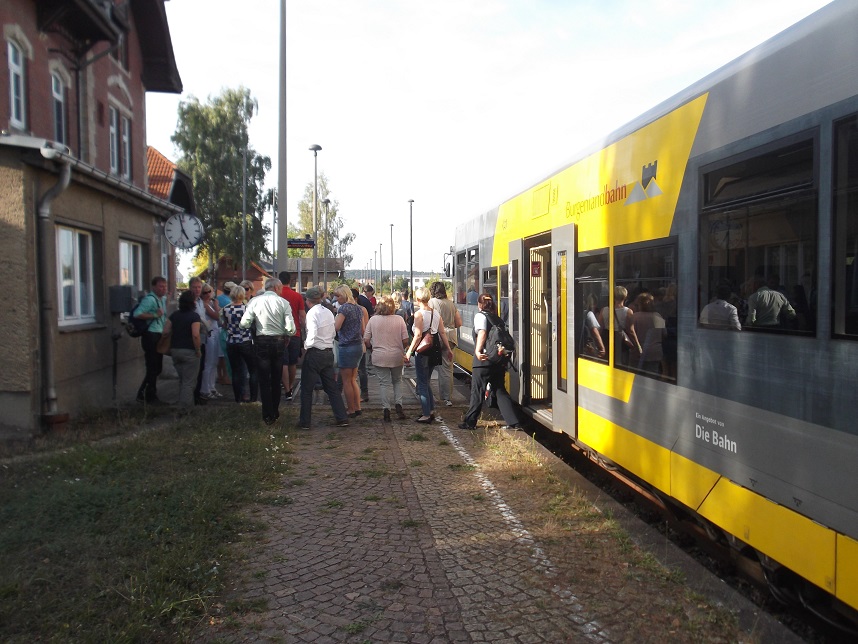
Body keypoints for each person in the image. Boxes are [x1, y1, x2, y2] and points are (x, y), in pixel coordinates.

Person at [458, 293, 522, 430]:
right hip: (498, 360)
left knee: (477, 391)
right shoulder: (497, 318)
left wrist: (477, 350)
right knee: (499, 390)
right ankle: (514, 422)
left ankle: (470, 422)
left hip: (484, 360)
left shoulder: (480, 316)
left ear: (480, 304)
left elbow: (482, 333)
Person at [239, 278, 296, 425]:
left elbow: (244, 323)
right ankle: (275, 412)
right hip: (278, 342)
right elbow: (291, 329)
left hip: (261, 341)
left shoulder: (254, 302)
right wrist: (284, 331)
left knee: (264, 379)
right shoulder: (284, 303)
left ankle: (267, 414)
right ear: (277, 287)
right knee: (276, 379)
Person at [299, 287, 349, 429]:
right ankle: (341, 417)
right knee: (331, 387)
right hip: (328, 352)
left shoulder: (311, 314)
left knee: (307, 389)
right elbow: (333, 331)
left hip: (315, 352)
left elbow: (312, 333)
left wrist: (306, 346)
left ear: (308, 301)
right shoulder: (328, 311)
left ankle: (305, 422)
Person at [404, 286, 453, 423]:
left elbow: (418, 334)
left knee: (422, 383)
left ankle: (426, 413)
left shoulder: (419, 315)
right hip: (434, 349)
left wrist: (409, 352)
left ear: (418, 298)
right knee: (427, 382)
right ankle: (430, 410)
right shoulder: (435, 313)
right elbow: (442, 332)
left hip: (423, 351)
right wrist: (448, 349)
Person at [364, 296, 409, 421]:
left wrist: (372, 347)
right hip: (396, 355)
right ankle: (399, 405)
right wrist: (402, 348)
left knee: (383, 383)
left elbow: (366, 339)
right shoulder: (399, 320)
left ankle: (386, 409)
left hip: (379, 356)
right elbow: (405, 340)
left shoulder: (373, 320)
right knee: (397, 381)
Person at [163, 290, 202, 412]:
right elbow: (195, 335)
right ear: (193, 303)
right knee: (189, 382)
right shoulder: (194, 317)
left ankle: (187, 406)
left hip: (175, 350)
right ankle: (184, 409)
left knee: (183, 380)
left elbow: (165, 331)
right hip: (190, 351)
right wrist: (198, 350)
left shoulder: (174, 315)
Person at [335, 285, 368, 417]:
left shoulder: (344, 308)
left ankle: (351, 409)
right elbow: (362, 330)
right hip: (357, 345)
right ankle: (357, 407)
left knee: (346, 380)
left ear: (344, 295)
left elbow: (336, 327)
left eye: (338, 296)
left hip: (346, 346)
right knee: (354, 379)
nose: (336, 299)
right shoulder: (358, 308)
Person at [221, 285, 258, 402]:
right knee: (253, 370)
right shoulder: (247, 308)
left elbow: (225, 325)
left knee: (236, 371)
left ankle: (238, 398)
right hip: (245, 341)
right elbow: (253, 325)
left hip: (231, 342)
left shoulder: (225, 309)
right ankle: (253, 397)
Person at [135, 275, 168, 404]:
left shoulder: (162, 299)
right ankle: (149, 396)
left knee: (157, 367)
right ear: (154, 287)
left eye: (165, 286)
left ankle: (143, 393)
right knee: (153, 366)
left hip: (158, 334)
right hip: (150, 335)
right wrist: (154, 315)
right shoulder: (150, 300)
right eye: (160, 286)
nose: (163, 289)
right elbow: (138, 313)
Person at [429, 281, 462, 406]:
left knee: (429, 365)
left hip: (436, 336)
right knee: (447, 368)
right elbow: (459, 323)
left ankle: (423, 391)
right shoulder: (451, 304)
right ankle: (447, 398)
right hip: (451, 338)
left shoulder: (431, 302)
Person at [278, 271, 306, 401]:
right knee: (293, 362)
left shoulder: (277, 296)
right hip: (295, 332)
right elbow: (302, 316)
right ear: (290, 281)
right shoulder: (297, 296)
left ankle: (287, 389)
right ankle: (291, 384)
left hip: (279, 333)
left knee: (283, 361)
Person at [600, 285, 641, 366]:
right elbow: (631, 331)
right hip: (620, 341)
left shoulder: (604, 310)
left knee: (607, 362)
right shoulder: (628, 311)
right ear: (625, 297)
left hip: (606, 339)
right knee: (621, 363)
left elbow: (600, 327)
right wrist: (637, 346)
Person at [630, 292, 666, 374]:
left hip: (638, 352)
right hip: (654, 353)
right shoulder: (658, 316)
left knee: (636, 377)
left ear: (639, 304)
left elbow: (630, 334)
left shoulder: (634, 317)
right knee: (651, 377)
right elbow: (664, 334)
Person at [188, 276, 208, 405]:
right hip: (193, 338)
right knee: (193, 369)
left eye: (199, 287)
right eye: (194, 287)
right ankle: (192, 396)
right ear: (190, 288)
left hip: (203, 337)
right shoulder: (188, 302)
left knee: (201, 368)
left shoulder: (200, 301)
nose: (197, 289)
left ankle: (198, 393)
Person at [200, 283, 222, 398]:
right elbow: (217, 316)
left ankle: (212, 386)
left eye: (209, 291)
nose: (208, 294)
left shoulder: (211, 303)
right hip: (209, 334)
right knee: (209, 362)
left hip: (215, 332)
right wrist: (216, 305)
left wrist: (216, 305)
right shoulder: (204, 304)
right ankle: (206, 388)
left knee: (214, 361)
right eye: (205, 292)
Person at [354, 287, 374, 401]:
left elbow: (364, 328)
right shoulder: (363, 309)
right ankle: (363, 393)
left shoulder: (360, 309)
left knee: (359, 369)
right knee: (362, 369)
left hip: (356, 342)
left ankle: (363, 393)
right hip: (361, 341)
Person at [216, 283, 233, 386]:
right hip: (224, 329)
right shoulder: (229, 302)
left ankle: (220, 376)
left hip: (217, 328)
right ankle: (226, 377)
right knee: (226, 356)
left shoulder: (218, 298)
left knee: (220, 356)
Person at [580, 293, 606, 360]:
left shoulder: (578, 313)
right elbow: (595, 331)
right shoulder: (589, 314)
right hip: (589, 346)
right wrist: (602, 348)